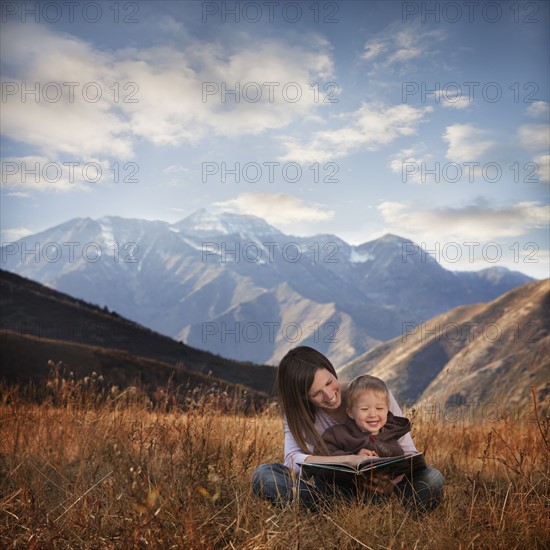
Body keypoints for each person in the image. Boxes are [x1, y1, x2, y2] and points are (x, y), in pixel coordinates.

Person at [251, 346, 444, 512]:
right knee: (264, 475)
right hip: (334, 490)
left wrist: (389, 483)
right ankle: (329, 508)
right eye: (317, 393)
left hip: (386, 488)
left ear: (332, 370)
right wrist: (350, 460)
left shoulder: (371, 394)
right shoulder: (299, 416)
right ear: (302, 397)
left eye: (329, 382)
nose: (329, 396)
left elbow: (409, 453)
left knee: (432, 478)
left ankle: (384, 507)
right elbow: (292, 460)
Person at [316, 374, 411, 458]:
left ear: (387, 410)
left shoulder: (391, 436)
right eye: (364, 409)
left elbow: (401, 463)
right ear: (350, 413)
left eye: (379, 408)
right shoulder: (337, 434)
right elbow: (321, 454)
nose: (373, 415)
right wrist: (353, 457)